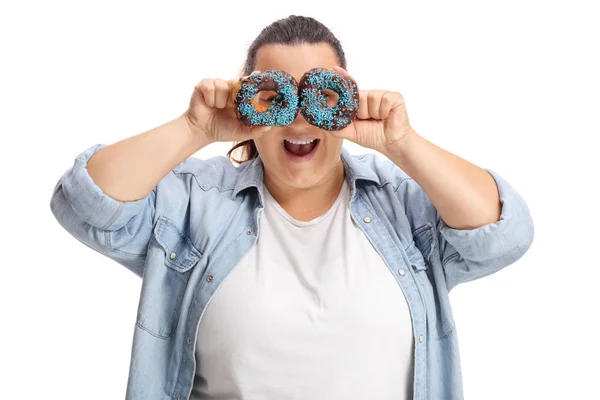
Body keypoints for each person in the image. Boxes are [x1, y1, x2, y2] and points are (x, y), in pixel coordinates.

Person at [49, 15, 534, 400]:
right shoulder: (196, 203)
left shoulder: (403, 204)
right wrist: (195, 128)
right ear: (247, 105)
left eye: (320, 96)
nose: (300, 118)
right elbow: (84, 203)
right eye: (275, 96)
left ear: (347, 103)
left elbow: (504, 235)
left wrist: (399, 141)